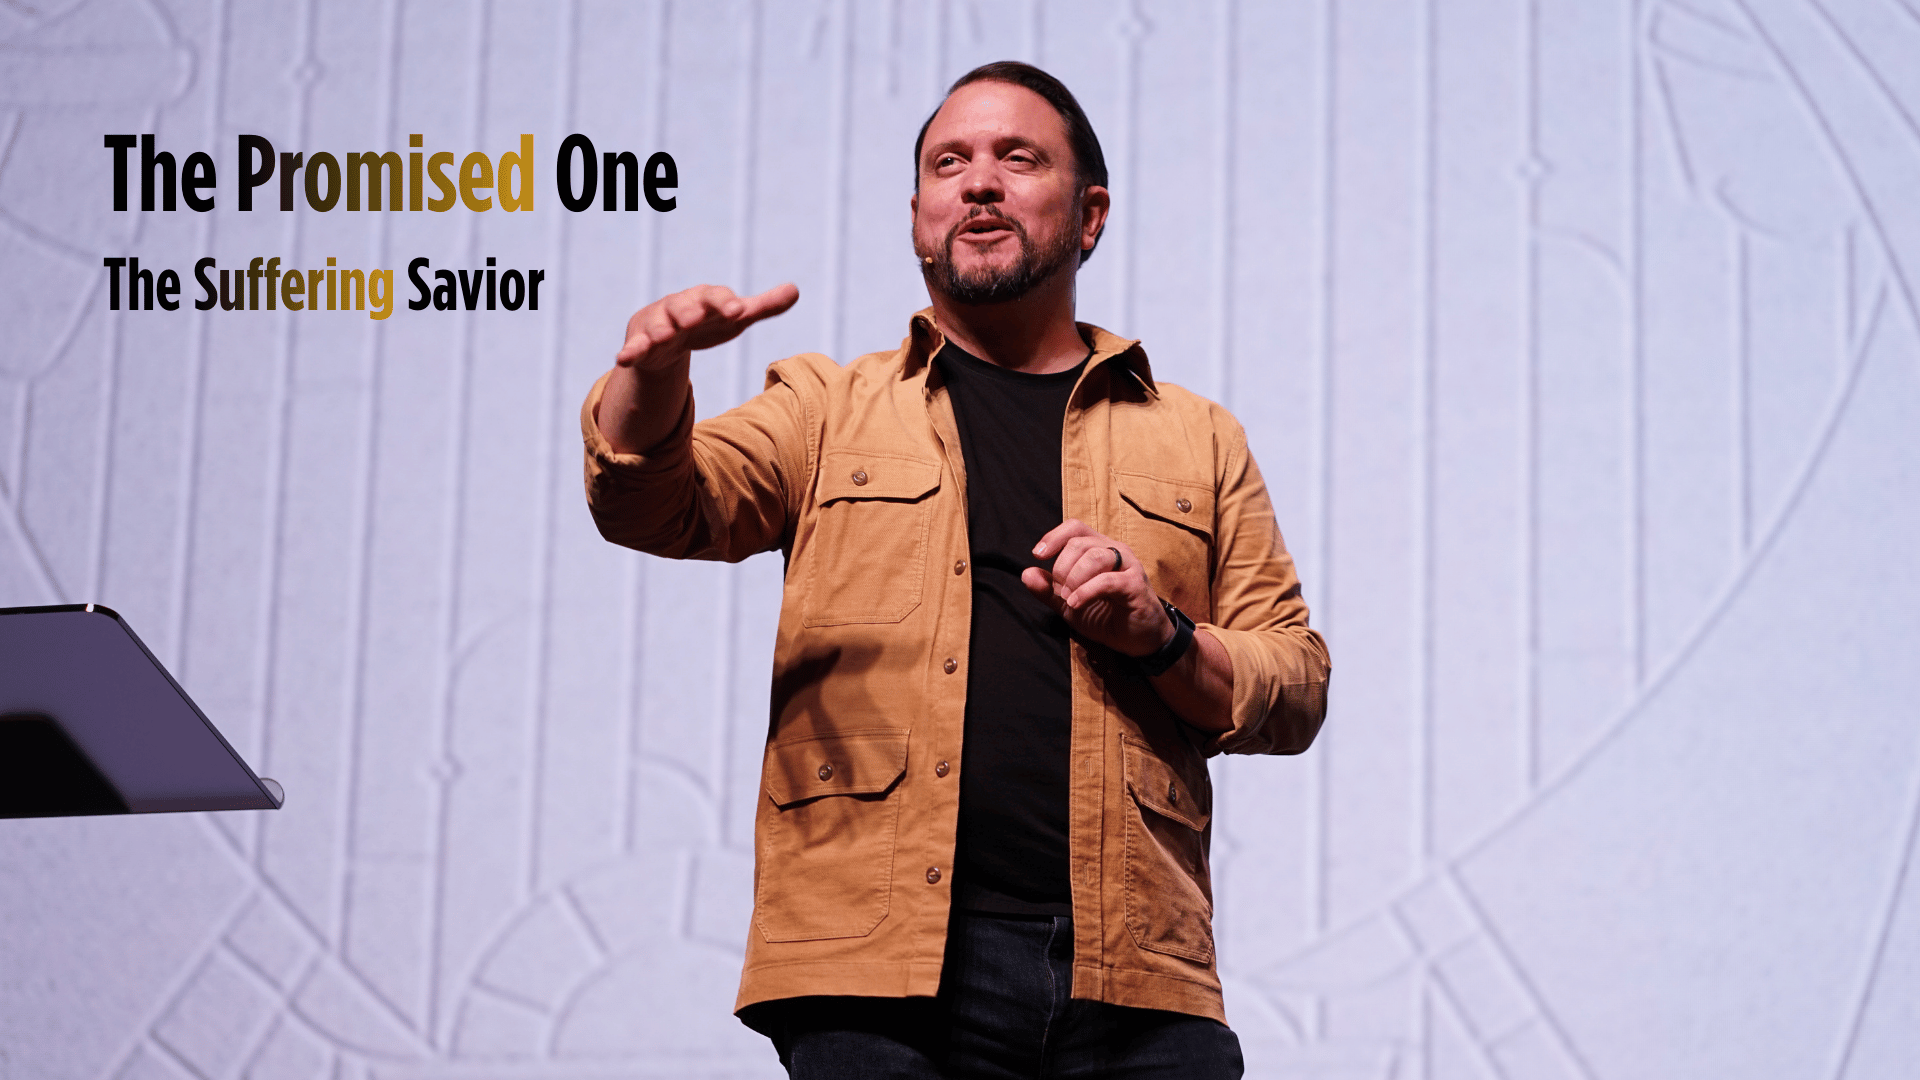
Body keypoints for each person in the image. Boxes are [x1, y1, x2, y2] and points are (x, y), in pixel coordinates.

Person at [581, 61, 1328, 1080]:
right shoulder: (826, 408)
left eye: (1018, 159)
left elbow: (1297, 685)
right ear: (918, 218)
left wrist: (1162, 636)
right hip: (874, 979)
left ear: (1090, 214)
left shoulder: (1197, 436)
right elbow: (653, 504)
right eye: (949, 163)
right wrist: (653, 374)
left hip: (1138, 978)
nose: (979, 182)